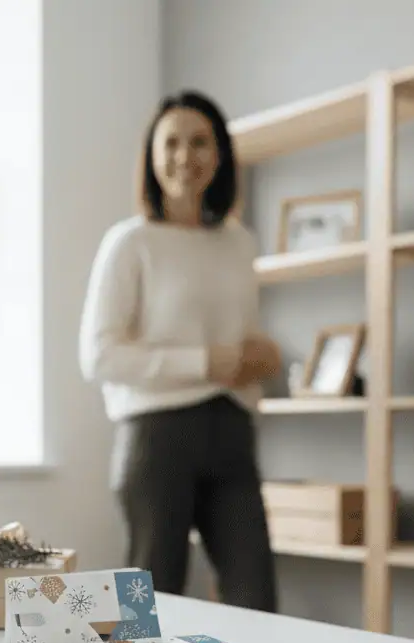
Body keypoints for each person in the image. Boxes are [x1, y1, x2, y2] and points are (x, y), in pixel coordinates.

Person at [78, 90, 281, 611]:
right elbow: (98, 356)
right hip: (157, 440)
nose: (184, 156)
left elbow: (240, 343)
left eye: (199, 142)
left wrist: (261, 360)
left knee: (257, 601)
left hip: (233, 432)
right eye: (171, 143)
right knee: (146, 612)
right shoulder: (130, 243)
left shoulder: (239, 242)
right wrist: (201, 362)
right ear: (151, 155)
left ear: (220, 156)